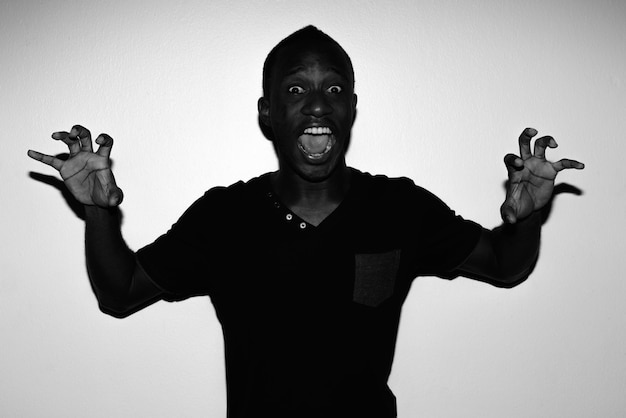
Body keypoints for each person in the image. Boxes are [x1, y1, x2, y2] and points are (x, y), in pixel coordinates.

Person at [28, 25, 584, 418]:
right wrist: (98, 212)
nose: (317, 104)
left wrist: (528, 220)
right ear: (268, 113)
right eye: (296, 90)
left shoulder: (400, 209)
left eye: (334, 90)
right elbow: (120, 292)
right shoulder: (225, 218)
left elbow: (505, 266)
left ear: (351, 110)